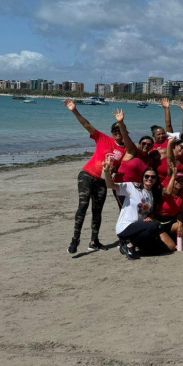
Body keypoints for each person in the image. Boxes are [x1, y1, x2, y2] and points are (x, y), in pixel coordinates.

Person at [64, 99, 126, 254]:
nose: (117, 133)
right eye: (115, 131)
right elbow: (86, 124)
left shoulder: (125, 150)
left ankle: (94, 241)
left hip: (102, 181)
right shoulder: (103, 138)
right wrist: (74, 110)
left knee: (97, 211)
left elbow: (123, 168)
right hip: (87, 175)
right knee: (83, 206)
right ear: (112, 133)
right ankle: (75, 239)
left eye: (120, 131)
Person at [101, 160, 162, 261]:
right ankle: (130, 245)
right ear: (142, 177)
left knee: (155, 247)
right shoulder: (133, 187)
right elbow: (110, 185)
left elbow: (149, 212)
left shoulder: (152, 194)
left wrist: (150, 218)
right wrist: (107, 171)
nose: (149, 178)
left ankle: (126, 244)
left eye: (153, 177)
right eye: (147, 176)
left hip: (138, 227)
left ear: (156, 179)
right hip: (125, 226)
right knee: (155, 226)